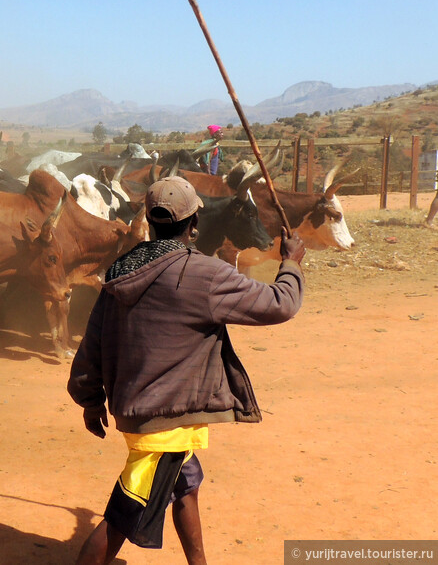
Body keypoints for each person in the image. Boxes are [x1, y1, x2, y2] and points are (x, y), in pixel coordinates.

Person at [68, 176, 305, 565]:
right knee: (121, 519)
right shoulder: (204, 275)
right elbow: (281, 303)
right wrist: (290, 263)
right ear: (194, 223)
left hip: (136, 408)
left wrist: (90, 401)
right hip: (165, 421)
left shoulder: (121, 269)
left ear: (150, 219)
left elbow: (93, 340)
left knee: (186, 483)